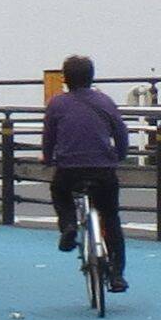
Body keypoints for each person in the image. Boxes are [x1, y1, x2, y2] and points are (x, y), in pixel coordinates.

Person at [43, 53, 130, 292]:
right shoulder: (105, 102)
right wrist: (119, 155)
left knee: (60, 192)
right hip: (103, 169)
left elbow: (49, 138)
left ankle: (69, 225)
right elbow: (121, 134)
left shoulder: (57, 104)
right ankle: (117, 275)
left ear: (65, 79)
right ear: (92, 78)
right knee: (110, 217)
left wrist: (48, 158)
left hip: (69, 168)